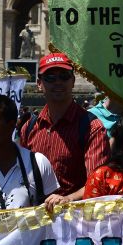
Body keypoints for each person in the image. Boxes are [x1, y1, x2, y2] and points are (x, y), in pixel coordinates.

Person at [19, 53, 111, 207]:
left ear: (73, 81)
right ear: (39, 84)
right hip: (35, 221)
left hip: (73, 221)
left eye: (64, 76)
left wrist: (68, 199)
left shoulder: (92, 127)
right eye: (50, 78)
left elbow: (98, 183)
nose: (58, 82)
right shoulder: (28, 128)